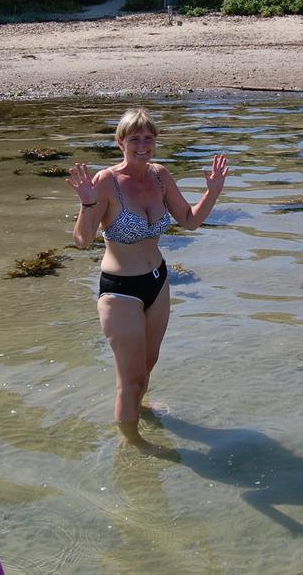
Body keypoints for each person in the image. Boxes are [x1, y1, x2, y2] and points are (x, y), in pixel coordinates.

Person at [66, 108, 228, 454]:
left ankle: (138, 410)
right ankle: (134, 447)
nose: (143, 145)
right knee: (130, 379)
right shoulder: (105, 182)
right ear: (120, 141)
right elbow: (81, 241)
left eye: (149, 138)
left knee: (149, 363)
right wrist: (87, 204)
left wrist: (212, 192)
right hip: (120, 291)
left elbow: (189, 221)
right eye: (135, 138)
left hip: (158, 281)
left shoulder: (159, 176)